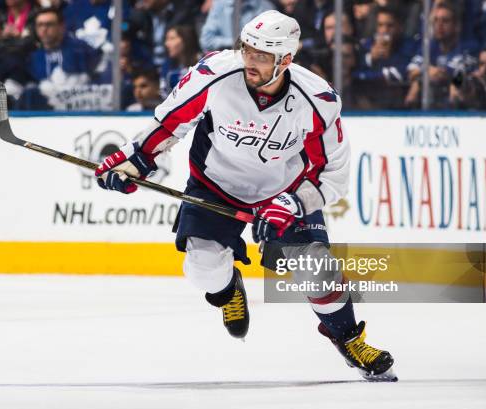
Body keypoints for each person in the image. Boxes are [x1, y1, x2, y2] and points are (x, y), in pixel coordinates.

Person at [94, 10, 396, 381]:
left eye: (261, 55)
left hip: (282, 192)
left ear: (285, 60)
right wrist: (133, 161)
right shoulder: (215, 74)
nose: (249, 60)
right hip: (216, 184)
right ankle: (227, 291)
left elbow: (332, 174)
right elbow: (170, 122)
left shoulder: (317, 100)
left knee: (317, 269)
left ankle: (348, 339)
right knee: (203, 269)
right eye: (247, 49)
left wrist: (293, 202)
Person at [405, 2, 477, 109]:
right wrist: (426, 72)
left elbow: (460, 72)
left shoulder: (468, 47)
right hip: (432, 101)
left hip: (460, 105)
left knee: (458, 83)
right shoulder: (429, 47)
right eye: (436, 20)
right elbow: (412, 70)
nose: (439, 25)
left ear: (457, 26)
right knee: (416, 83)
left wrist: (435, 72)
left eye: (445, 21)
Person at [354, 6, 417, 109]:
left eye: (390, 25)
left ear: (400, 27)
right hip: (368, 104)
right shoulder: (366, 45)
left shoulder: (409, 46)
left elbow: (403, 73)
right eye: (380, 25)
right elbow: (354, 74)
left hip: (401, 105)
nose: (384, 30)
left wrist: (388, 59)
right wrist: (371, 58)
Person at [161, 25, 201, 95]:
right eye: (166, 39)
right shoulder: (167, 66)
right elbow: (165, 95)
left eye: (172, 38)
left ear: (186, 39)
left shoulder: (204, 61)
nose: (166, 44)